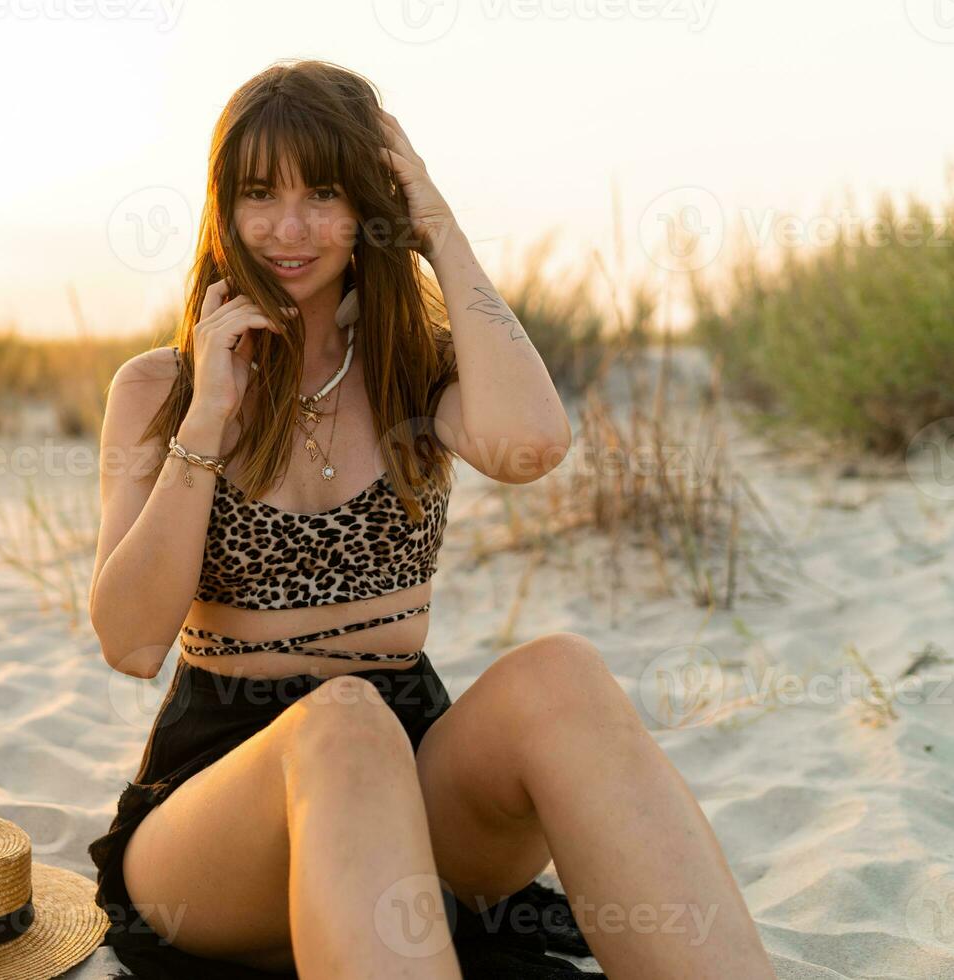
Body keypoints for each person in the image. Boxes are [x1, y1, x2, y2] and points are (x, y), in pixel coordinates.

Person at [87, 59, 776, 980]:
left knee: (560, 675)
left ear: (372, 203)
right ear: (225, 210)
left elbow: (532, 446)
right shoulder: (160, 392)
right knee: (343, 723)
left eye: (324, 192)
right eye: (260, 195)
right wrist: (210, 417)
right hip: (217, 808)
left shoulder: (421, 370)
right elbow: (131, 642)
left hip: (413, 784)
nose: (289, 228)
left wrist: (437, 227)